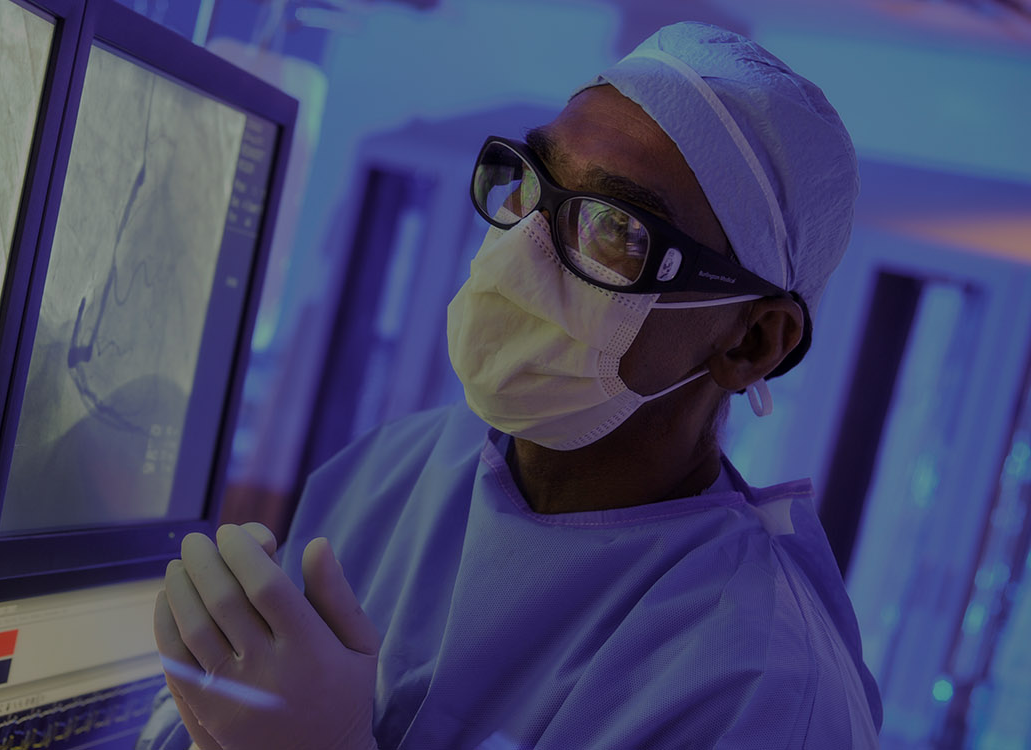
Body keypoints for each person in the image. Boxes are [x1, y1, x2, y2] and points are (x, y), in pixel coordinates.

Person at [138, 21, 882, 750]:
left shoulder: (764, 696)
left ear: (751, 342)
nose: (524, 251)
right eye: (532, 185)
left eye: (618, 232)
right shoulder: (399, 471)